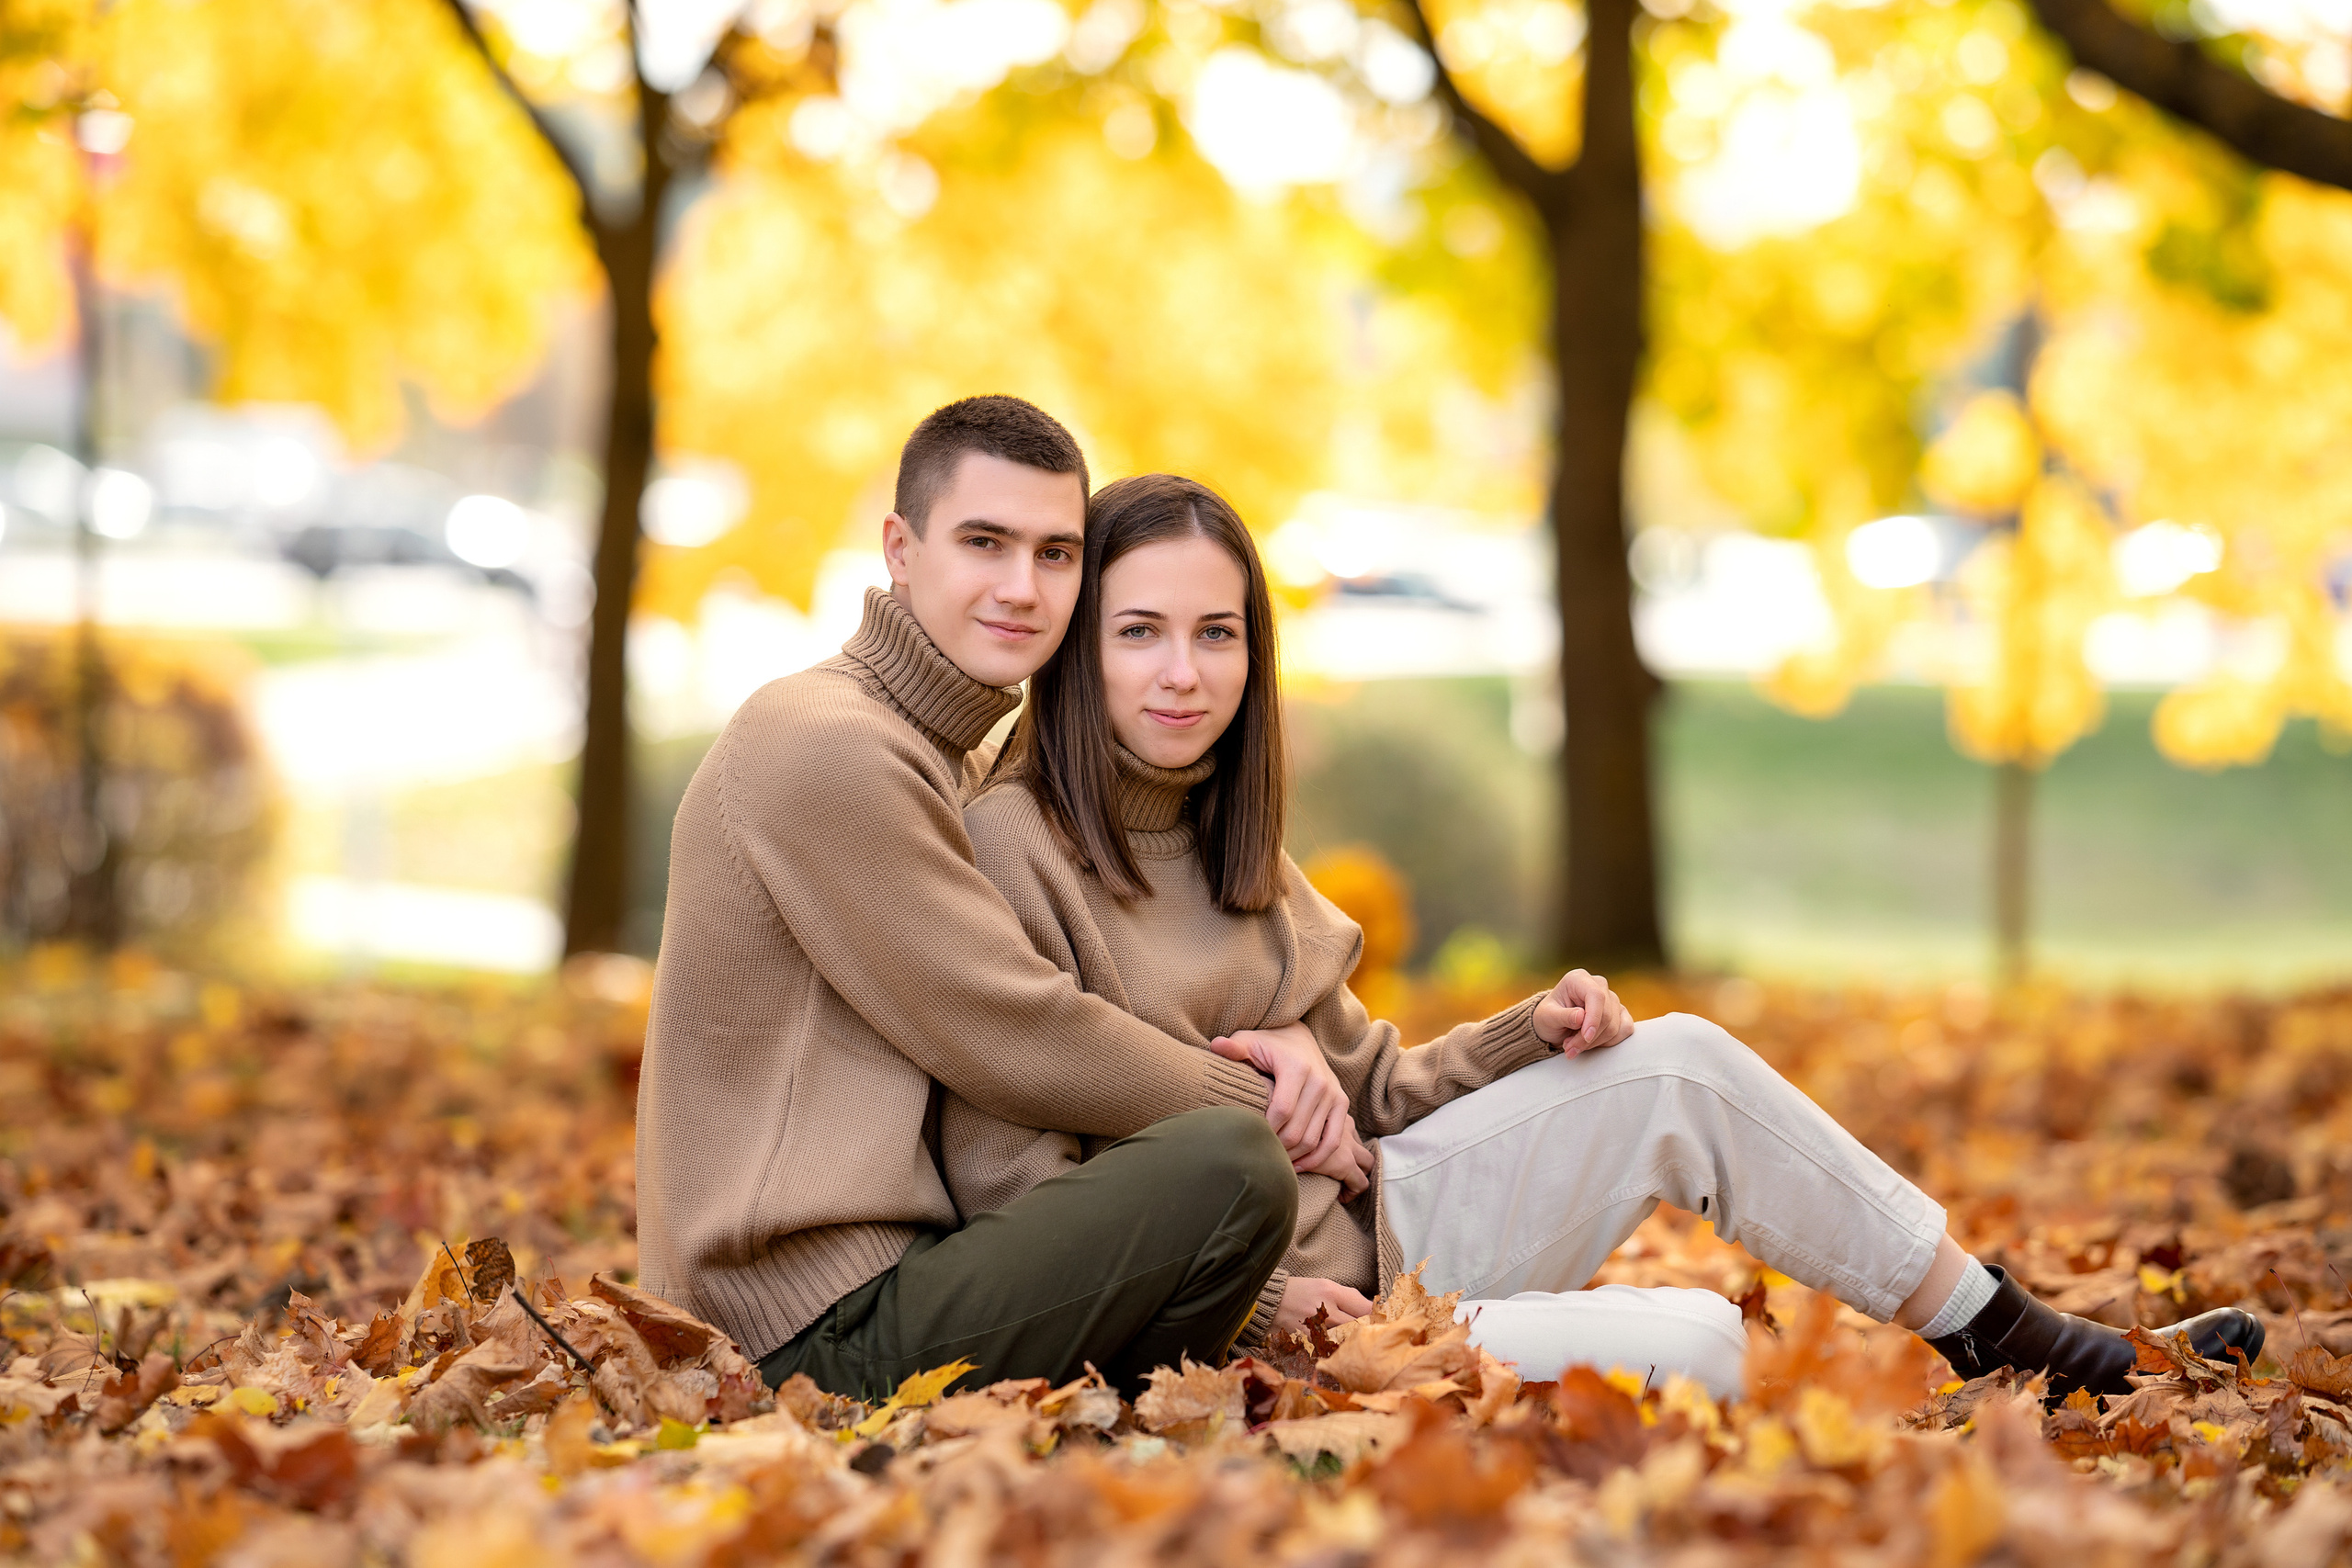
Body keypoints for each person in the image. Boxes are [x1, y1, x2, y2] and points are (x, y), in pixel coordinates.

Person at [941, 471, 2265, 1401]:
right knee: (1701, 1349)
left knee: (1675, 1057)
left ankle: (2013, 1332)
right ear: (1077, 650)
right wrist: (1268, 1302)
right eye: (1142, 633)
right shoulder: (1014, 845)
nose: (1186, 671)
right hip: (1267, 1323)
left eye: (1217, 632)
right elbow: (1010, 1189)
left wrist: (1535, 1029)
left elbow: (1377, 1090)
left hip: (1393, 1219)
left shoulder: (1230, 833)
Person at [636, 398, 1363, 1402]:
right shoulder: (824, 742)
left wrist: (1284, 1035)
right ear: (900, 548)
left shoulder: (949, 755)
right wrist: (1267, 1096)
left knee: (1221, 1177)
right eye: (986, 543)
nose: (1023, 589)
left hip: (909, 1278)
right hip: (801, 1330)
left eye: (1056, 554)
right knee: (1229, 1164)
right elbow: (1010, 1027)